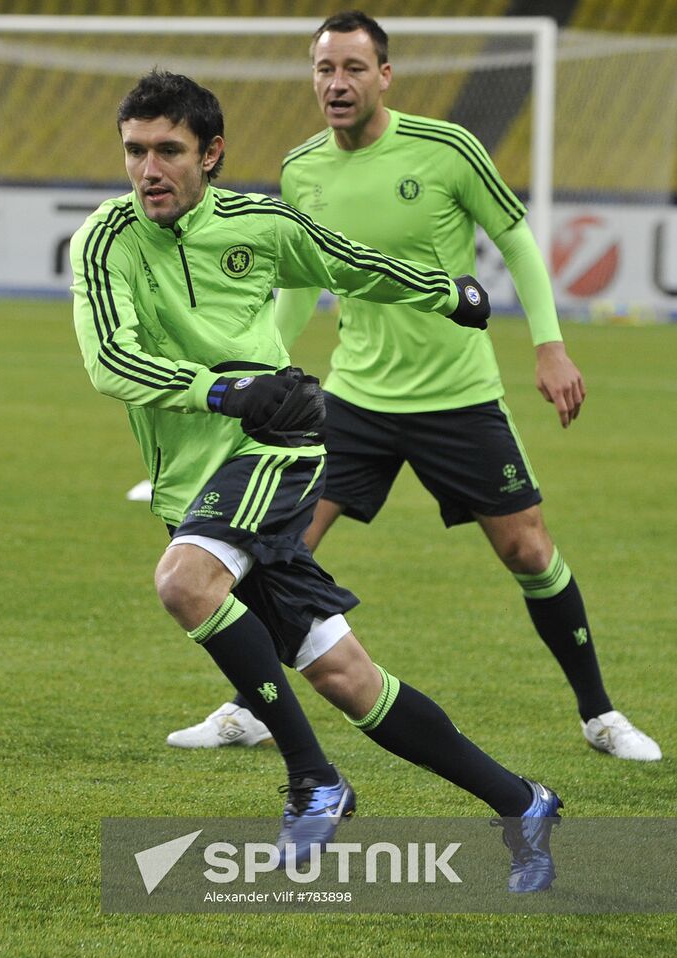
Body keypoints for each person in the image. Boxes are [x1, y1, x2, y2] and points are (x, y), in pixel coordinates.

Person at [72, 69, 562, 890]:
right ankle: (522, 802)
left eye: (168, 151)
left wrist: (447, 291)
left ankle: (314, 781)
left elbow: (350, 262)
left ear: (211, 154)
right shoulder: (106, 239)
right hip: (190, 480)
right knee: (345, 677)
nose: (148, 170)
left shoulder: (259, 224)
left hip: (277, 442)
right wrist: (223, 388)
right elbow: (111, 360)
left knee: (185, 583)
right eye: (134, 151)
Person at [172, 11, 660, 762]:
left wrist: (550, 347)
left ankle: (599, 714)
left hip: (457, 399)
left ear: (384, 76)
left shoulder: (445, 149)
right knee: (278, 549)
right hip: (352, 401)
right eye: (324, 69)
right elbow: (302, 283)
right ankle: (252, 705)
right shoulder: (301, 169)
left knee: (528, 551)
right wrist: (261, 363)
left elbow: (516, 239)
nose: (336, 83)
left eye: (352, 68)